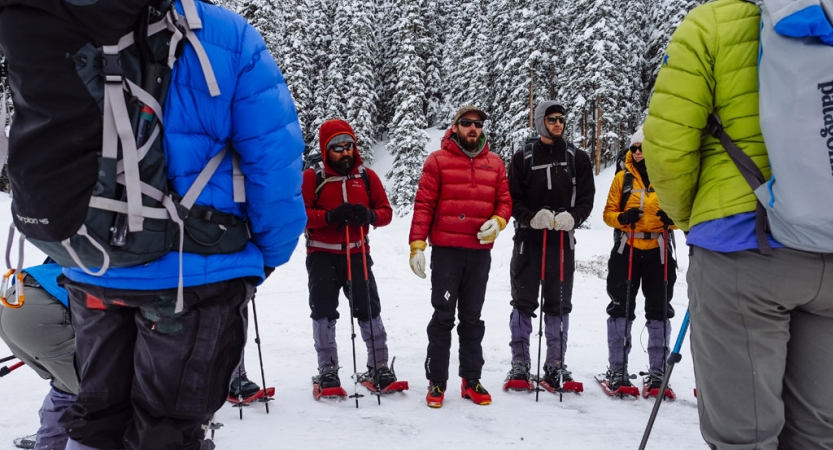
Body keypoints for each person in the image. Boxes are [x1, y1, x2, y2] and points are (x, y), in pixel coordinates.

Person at [0, 1, 306, 449]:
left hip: (92, 265)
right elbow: (274, 160)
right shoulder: (224, 34)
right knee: (166, 429)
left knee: (97, 418)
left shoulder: (57, 18)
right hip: (193, 275)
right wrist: (271, 253)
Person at [644, 0, 833, 447]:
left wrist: (697, 220)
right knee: (818, 434)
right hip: (828, 252)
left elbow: (667, 148)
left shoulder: (713, 22)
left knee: (744, 437)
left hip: (743, 251)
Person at [408, 105, 512, 408]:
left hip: (479, 254)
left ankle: (471, 380)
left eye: (478, 124)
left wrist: (499, 221)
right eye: (466, 123)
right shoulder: (437, 161)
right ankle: (437, 382)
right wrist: (417, 245)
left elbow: (505, 200)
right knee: (442, 317)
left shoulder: (495, 163)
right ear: (454, 127)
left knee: (472, 319)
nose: (473, 128)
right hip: (447, 253)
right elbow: (424, 204)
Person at [505, 100, 594, 390]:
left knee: (558, 304)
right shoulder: (522, 158)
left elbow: (586, 200)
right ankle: (520, 363)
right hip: (528, 242)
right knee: (523, 302)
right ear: (541, 121)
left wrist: (573, 218)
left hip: (562, 241)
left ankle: (555, 363)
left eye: (562, 119)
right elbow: (512, 200)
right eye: (552, 118)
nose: (558, 123)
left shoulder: (577, 158)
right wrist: (531, 218)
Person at [302, 118, 396, 391]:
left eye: (348, 146)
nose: (344, 152)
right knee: (323, 312)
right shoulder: (313, 177)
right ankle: (327, 370)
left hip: (357, 253)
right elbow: (299, 215)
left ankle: (378, 366)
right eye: (337, 147)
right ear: (325, 149)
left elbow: (386, 212)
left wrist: (369, 215)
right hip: (322, 254)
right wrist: (328, 216)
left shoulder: (366, 177)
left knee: (369, 309)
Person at [602, 127, 676, 393]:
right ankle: (618, 370)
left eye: (642, 147)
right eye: (633, 148)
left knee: (659, 309)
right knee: (621, 307)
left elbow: (682, 212)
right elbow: (608, 212)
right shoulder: (623, 178)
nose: (637, 152)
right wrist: (621, 219)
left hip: (658, 250)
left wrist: (673, 220)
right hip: (627, 248)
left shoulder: (668, 177)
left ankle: (658, 374)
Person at [0, 263, 77, 450]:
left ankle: (55, 442)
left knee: (66, 385)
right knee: (102, 390)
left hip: (15, 298)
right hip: (46, 312)